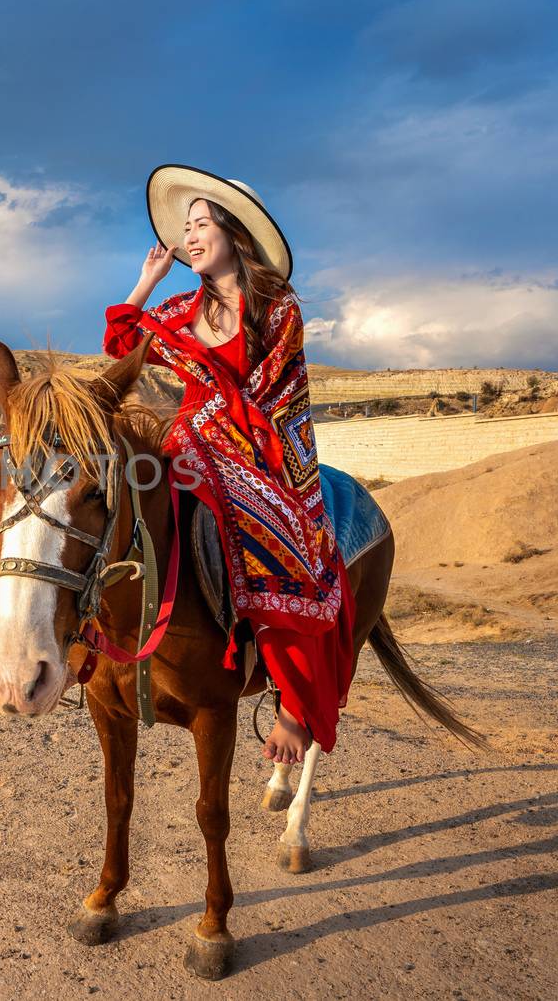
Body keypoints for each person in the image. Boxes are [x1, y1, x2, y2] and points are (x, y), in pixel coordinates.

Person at [102, 165, 356, 765]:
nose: (189, 237)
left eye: (200, 225)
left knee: (287, 540)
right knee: (121, 503)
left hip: (263, 441)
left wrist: (225, 428)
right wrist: (145, 281)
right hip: (193, 438)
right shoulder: (179, 307)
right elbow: (120, 343)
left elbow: (276, 392)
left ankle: (292, 706)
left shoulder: (277, 307)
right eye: (185, 228)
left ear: (234, 234)